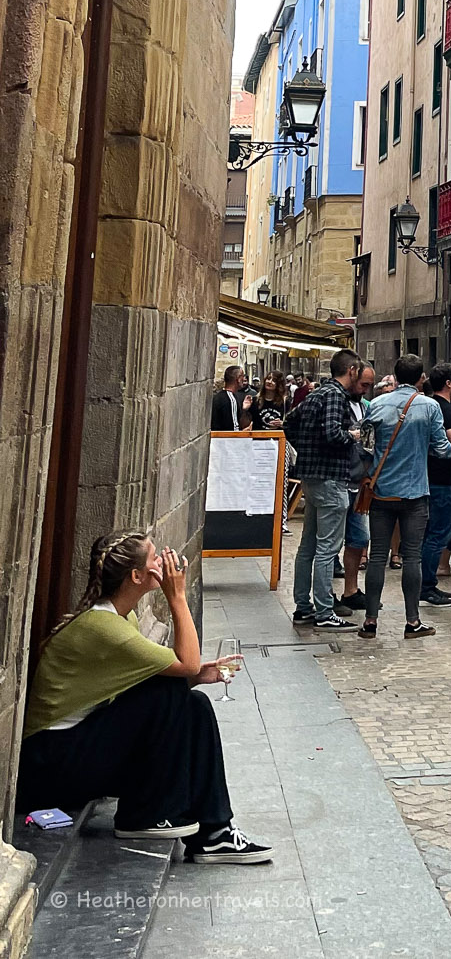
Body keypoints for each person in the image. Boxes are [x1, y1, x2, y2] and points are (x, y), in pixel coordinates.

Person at [18, 532, 269, 863]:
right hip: (47, 767)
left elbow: (166, 677)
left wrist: (194, 677)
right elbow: (185, 662)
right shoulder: (105, 627)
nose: (163, 562)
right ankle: (145, 815)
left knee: (193, 702)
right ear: (137, 576)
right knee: (167, 687)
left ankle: (215, 833)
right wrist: (177, 597)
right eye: (154, 558)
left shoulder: (122, 618)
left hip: (73, 752)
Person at [358, 354, 451, 640]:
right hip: (414, 492)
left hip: (381, 492)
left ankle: (370, 620)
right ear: (421, 377)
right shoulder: (429, 406)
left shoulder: (375, 405)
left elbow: (366, 447)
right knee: (412, 557)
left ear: (395, 377)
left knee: (377, 556)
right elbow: (442, 449)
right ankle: (412, 621)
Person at [284, 349, 364, 631]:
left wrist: (306, 450)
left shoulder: (316, 393)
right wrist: (351, 436)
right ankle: (324, 612)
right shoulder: (335, 395)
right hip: (330, 478)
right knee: (327, 548)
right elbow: (332, 433)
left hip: (312, 476)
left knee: (309, 545)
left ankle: (303, 607)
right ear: (352, 370)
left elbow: (289, 422)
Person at [419, 364, 451, 608]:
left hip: (425, 477)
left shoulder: (426, 406)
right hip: (442, 479)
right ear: (449, 384)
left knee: (429, 533)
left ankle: (422, 582)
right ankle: (426, 586)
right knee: (439, 533)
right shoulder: (447, 410)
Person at [338, 362, 377, 614]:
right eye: (364, 385)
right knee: (329, 544)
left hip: (359, 482)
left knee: (359, 539)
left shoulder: (366, 407)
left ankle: (350, 590)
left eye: (370, 386)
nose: (366, 390)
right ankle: (323, 597)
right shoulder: (337, 402)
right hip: (339, 479)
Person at [211, 365, 251, 432]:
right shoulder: (231, 399)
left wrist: (244, 409)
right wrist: (243, 433)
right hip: (225, 440)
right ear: (238, 379)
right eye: (242, 376)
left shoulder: (220, 396)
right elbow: (233, 429)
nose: (244, 379)